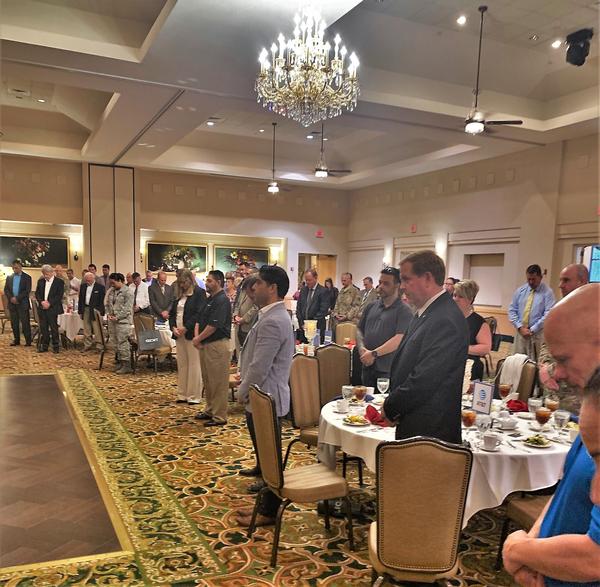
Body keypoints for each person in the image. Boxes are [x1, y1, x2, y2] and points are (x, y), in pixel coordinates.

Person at [502, 284, 600, 587]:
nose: (555, 373)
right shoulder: (593, 410)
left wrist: (516, 548)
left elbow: (595, 558)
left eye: (564, 359)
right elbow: (567, 490)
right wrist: (531, 552)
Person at [382, 251, 468, 444]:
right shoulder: (426, 312)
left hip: (431, 433)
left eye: (406, 279)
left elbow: (424, 379)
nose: (401, 287)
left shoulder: (445, 319)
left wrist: (391, 407)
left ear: (428, 278)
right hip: (415, 424)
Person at [235, 265, 295, 528]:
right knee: (267, 455)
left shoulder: (273, 319)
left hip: (266, 397)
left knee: (271, 457)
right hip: (263, 396)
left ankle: (269, 511)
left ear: (272, 288)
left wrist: (242, 389)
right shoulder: (270, 315)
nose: (253, 288)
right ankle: (265, 505)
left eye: (258, 283)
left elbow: (260, 366)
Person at [538, 263, 590, 413]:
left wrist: (552, 370)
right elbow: (546, 345)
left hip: (577, 398)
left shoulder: (593, 314)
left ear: (582, 282)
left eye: (566, 280)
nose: (560, 285)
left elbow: (585, 356)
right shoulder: (558, 312)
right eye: (560, 280)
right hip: (552, 392)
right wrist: (543, 369)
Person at [357, 267, 413, 388]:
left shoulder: (404, 310)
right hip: (367, 365)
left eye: (386, 283)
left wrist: (374, 354)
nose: (381, 286)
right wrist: (362, 348)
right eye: (380, 282)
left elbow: (399, 338)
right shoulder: (371, 306)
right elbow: (359, 330)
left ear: (397, 285)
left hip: (387, 369)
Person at [193, 270, 232, 427]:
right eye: (206, 280)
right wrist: (197, 338)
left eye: (209, 281)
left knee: (218, 382)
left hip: (217, 345)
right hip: (206, 344)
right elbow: (200, 319)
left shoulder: (222, 300)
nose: (206, 283)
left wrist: (198, 338)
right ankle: (210, 409)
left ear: (218, 282)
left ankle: (219, 416)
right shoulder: (210, 299)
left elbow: (214, 325)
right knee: (208, 380)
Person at [169, 269, 206, 404]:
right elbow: (172, 313)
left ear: (190, 280)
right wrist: (173, 327)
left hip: (191, 333)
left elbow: (199, 314)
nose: (182, 285)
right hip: (178, 334)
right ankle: (182, 394)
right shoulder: (178, 294)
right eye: (180, 283)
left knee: (194, 364)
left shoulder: (199, 294)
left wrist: (186, 327)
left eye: (184, 282)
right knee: (183, 364)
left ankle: (194, 396)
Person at [508, 264, 555, 361]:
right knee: (517, 361)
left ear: (540, 277)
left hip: (537, 333)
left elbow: (548, 314)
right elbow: (512, 310)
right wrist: (520, 327)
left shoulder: (548, 292)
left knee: (536, 363)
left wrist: (532, 329)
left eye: (533, 279)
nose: (531, 282)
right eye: (528, 279)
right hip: (520, 332)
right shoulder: (520, 291)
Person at [452, 279, 492, 381]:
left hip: (468, 369)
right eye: (454, 295)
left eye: (460, 296)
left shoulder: (479, 322)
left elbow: (485, 348)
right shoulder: (448, 318)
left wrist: (461, 348)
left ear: (470, 299)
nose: (455, 299)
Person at [105, 273, 134, 374]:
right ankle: (120, 363)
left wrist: (117, 317)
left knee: (123, 343)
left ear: (120, 281)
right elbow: (108, 304)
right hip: (112, 321)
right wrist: (109, 314)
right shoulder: (112, 291)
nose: (112, 285)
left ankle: (126, 365)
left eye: (113, 283)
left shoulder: (128, 292)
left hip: (123, 322)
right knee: (115, 343)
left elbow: (127, 308)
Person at [35, 264, 65, 354]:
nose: (45, 275)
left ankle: (56, 346)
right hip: (42, 308)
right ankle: (45, 346)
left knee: (53, 327)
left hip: (53, 308)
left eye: (47, 273)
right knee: (43, 328)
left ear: (52, 272)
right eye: (44, 273)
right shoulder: (40, 281)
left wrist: (49, 303)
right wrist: (42, 302)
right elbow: (37, 294)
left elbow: (59, 296)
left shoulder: (59, 282)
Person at [296, 269, 330, 343]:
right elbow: (298, 308)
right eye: (306, 280)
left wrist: (310, 324)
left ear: (315, 278)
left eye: (310, 280)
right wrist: (302, 323)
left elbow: (323, 310)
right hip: (303, 328)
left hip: (317, 327)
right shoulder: (303, 290)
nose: (307, 282)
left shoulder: (323, 291)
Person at [3, 259, 32, 346]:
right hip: (12, 304)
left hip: (22, 304)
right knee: (14, 323)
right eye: (13, 268)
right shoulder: (9, 277)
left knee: (25, 323)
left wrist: (17, 298)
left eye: (16, 268)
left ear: (20, 267)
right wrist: (11, 298)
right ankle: (16, 340)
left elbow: (27, 290)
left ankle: (28, 341)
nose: (14, 270)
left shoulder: (27, 277)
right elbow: (6, 289)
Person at [78, 272, 105, 351]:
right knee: (86, 328)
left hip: (95, 310)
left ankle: (99, 345)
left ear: (93, 279)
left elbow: (102, 301)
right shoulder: (83, 286)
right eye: (86, 280)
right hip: (86, 309)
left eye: (89, 280)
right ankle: (87, 344)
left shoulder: (100, 287)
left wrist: (101, 311)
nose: (88, 282)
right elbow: (81, 299)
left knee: (97, 328)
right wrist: (80, 311)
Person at [233, 267, 259, 349]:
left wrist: (243, 319)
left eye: (248, 274)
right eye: (245, 273)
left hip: (249, 324)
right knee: (239, 350)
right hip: (238, 324)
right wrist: (235, 315)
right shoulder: (243, 286)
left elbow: (256, 306)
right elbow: (237, 303)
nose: (245, 275)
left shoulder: (257, 290)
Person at [331, 272, 361, 338]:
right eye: (342, 280)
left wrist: (346, 316)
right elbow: (337, 303)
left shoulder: (355, 291)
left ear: (350, 279)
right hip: (338, 321)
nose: (342, 282)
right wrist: (335, 313)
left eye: (344, 280)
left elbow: (356, 306)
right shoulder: (342, 290)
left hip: (348, 321)